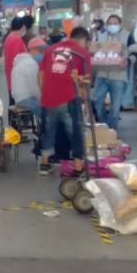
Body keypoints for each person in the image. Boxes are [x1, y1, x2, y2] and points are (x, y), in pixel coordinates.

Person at [37, 27, 91, 176]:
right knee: (75, 132)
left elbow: (40, 73)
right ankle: (78, 166)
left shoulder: (50, 50)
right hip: (69, 98)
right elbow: (84, 81)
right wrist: (85, 101)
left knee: (48, 130)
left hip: (48, 98)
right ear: (83, 39)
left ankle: (44, 164)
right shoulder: (83, 54)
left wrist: (45, 92)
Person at [92, 14, 137, 131]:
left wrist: (128, 60)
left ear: (120, 24)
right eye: (110, 23)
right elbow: (94, 51)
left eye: (115, 23)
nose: (112, 26)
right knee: (96, 100)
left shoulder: (127, 36)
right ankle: (103, 125)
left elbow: (135, 51)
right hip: (102, 74)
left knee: (115, 107)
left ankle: (112, 131)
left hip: (118, 76)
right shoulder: (101, 35)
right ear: (106, 25)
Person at [11, 41, 43, 119]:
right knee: (50, 113)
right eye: (40, 51)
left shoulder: (21, 62)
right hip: (27, 99)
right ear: (32, 50)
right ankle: (46, 131)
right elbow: (34, 88)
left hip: (19, 98)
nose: (42, 53)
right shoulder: (31, 64)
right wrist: (42, 98)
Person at [3, 16, 27, 92]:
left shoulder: (11, 37)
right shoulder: (15, 39)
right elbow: (17, 60)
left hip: (13, 77)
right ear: (23, 26)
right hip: (17, 80)